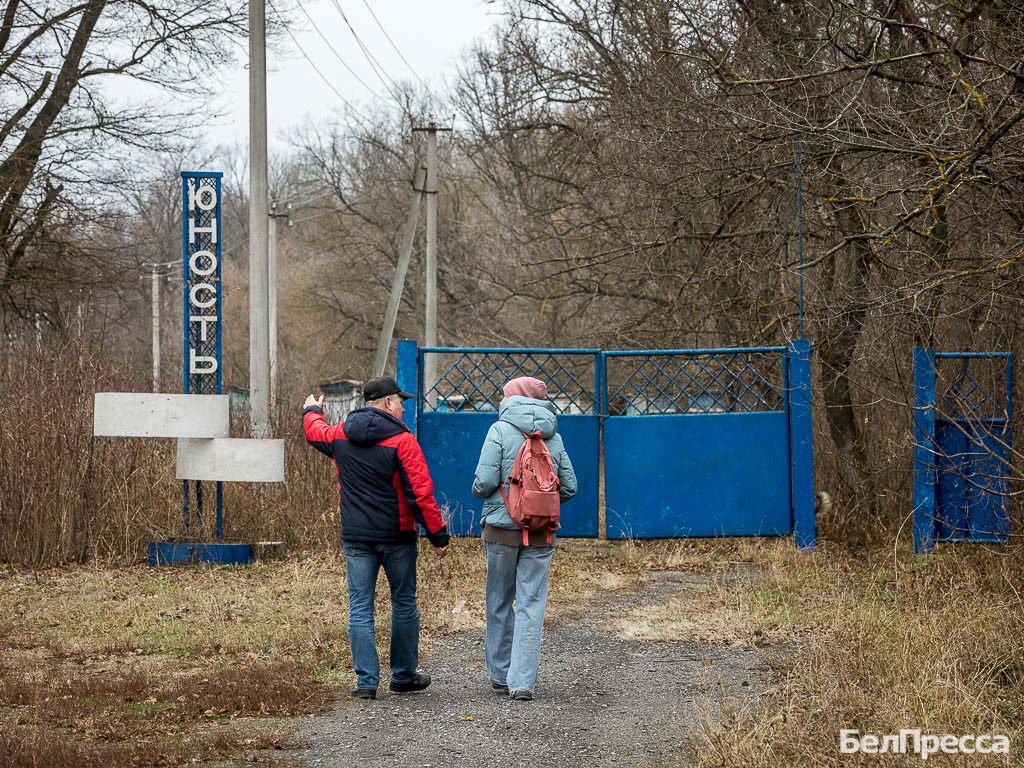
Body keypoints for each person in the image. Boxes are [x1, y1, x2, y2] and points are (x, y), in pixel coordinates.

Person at [303, 376, 450, 701]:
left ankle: (366, 683)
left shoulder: (341, 433)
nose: (402, 407)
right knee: (404, 603)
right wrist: (438, 536)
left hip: (356, 536)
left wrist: (311, 410)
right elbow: (421, 493)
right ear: (386, 402)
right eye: (400, 401)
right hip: (396, 536)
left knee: (359, 607)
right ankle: (402, 676)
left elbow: (316, 432)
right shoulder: (402, 441)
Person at [471, 376, 577, 701]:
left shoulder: (499, 431)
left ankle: (501, 675)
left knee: (499, 601)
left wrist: (484, 492)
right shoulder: (553, 436)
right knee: (532, 604)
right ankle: (522, 683)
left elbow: (484, 481)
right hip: (541, 533)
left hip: (501, 531)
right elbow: (570, 487)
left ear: (511, 398)